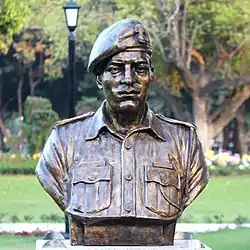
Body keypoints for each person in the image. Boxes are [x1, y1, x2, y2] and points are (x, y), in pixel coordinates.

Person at [36, 18, 208, 246]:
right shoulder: (64, 139)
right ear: (100, 79)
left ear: (151, 76)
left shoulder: (183, 141)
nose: (129, 80)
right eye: (116, 70)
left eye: (139, 69)